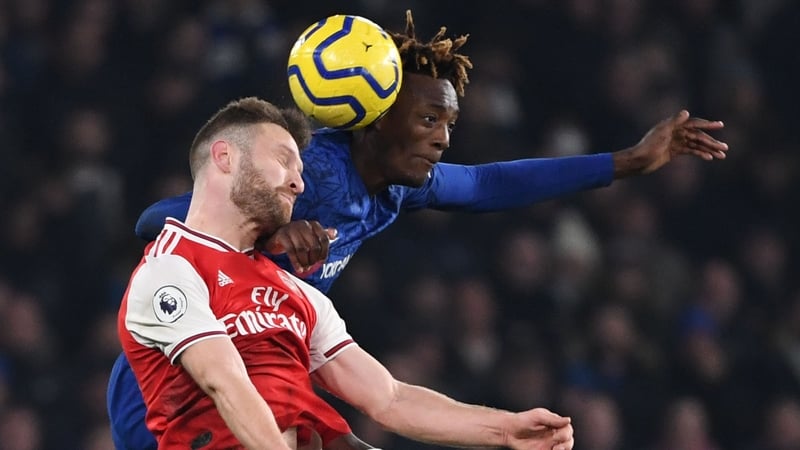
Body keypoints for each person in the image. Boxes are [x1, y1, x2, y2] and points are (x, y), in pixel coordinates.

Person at [109, 10, 729, 449]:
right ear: (375, 115)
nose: (442, 136)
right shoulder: (313, 171)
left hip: (271, 372)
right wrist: (273, 236)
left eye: (450, 124)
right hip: (173, 381)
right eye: (429, 117)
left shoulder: (401, 188)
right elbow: (160, 219)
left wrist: (626, 162)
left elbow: (490, 185)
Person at [118, 96, 575, 449]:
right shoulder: (170, 271)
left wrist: (506, 430)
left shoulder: (297, 293)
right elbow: (225, 381)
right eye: (283, 160)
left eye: (300, 169)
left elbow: (389, 399)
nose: (298, 182)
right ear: (224, 158)